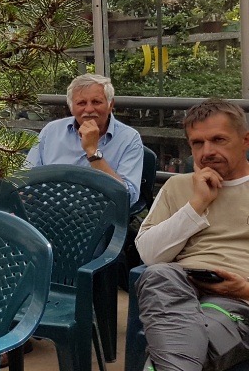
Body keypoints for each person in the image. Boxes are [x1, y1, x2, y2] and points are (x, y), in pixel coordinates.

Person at [134, 98, 249, 371]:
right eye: (198, 143)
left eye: (218, 140)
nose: (207, 151)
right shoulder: (177, 186)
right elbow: (150, 255)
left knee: (175, 352)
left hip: (235, 300)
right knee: (158, 274)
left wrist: (245, 290)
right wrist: (197, 204)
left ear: (245, 140)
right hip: (175, 290)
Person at [25, 73, 144, 207]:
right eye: (81, 103)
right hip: (49, 209)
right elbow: (24, 180)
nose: (89, 109)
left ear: (110, 105)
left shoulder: (129, 138)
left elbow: (128, 197)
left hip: (97, 213)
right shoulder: (51, 131)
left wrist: (92, 151)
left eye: (96, 102)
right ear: (71, 108)